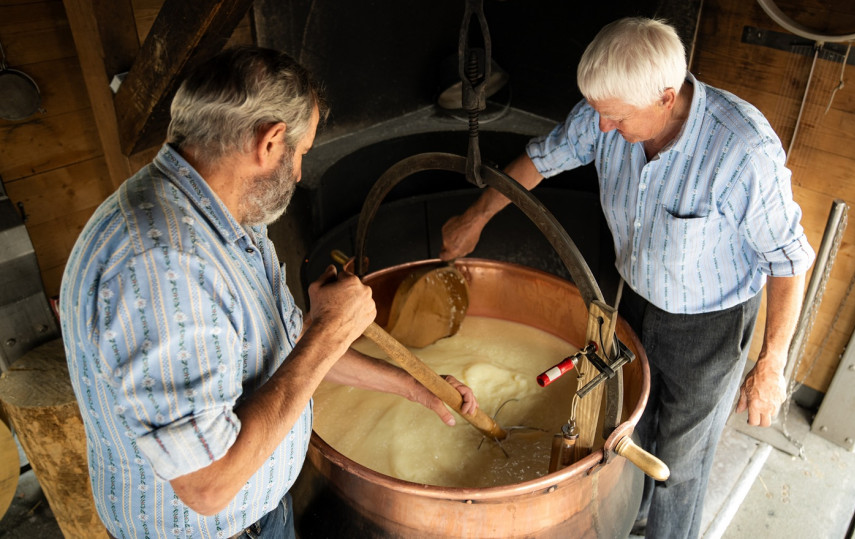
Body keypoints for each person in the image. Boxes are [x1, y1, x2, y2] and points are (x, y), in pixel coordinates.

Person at [60, 46, 477, 539]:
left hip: (260, 518)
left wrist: (413, 384)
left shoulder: (225, 215)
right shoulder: (160, 267)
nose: (299, 174)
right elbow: (208, 485)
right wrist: (327, 332)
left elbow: (276, 354)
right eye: (300, 154)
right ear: (271, 142)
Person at [439, 17, 814, 539]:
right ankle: (632, 515)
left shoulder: (742, 152)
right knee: (627, 422)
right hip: (631, 299)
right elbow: (541, 159)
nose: (603, 129)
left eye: (615, 118)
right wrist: (476, 218)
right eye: (599, 114)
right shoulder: (607, 109)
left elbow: (789, 259)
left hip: (708, 324)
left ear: (666, 97)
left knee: (681, 459)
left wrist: (772, 364)